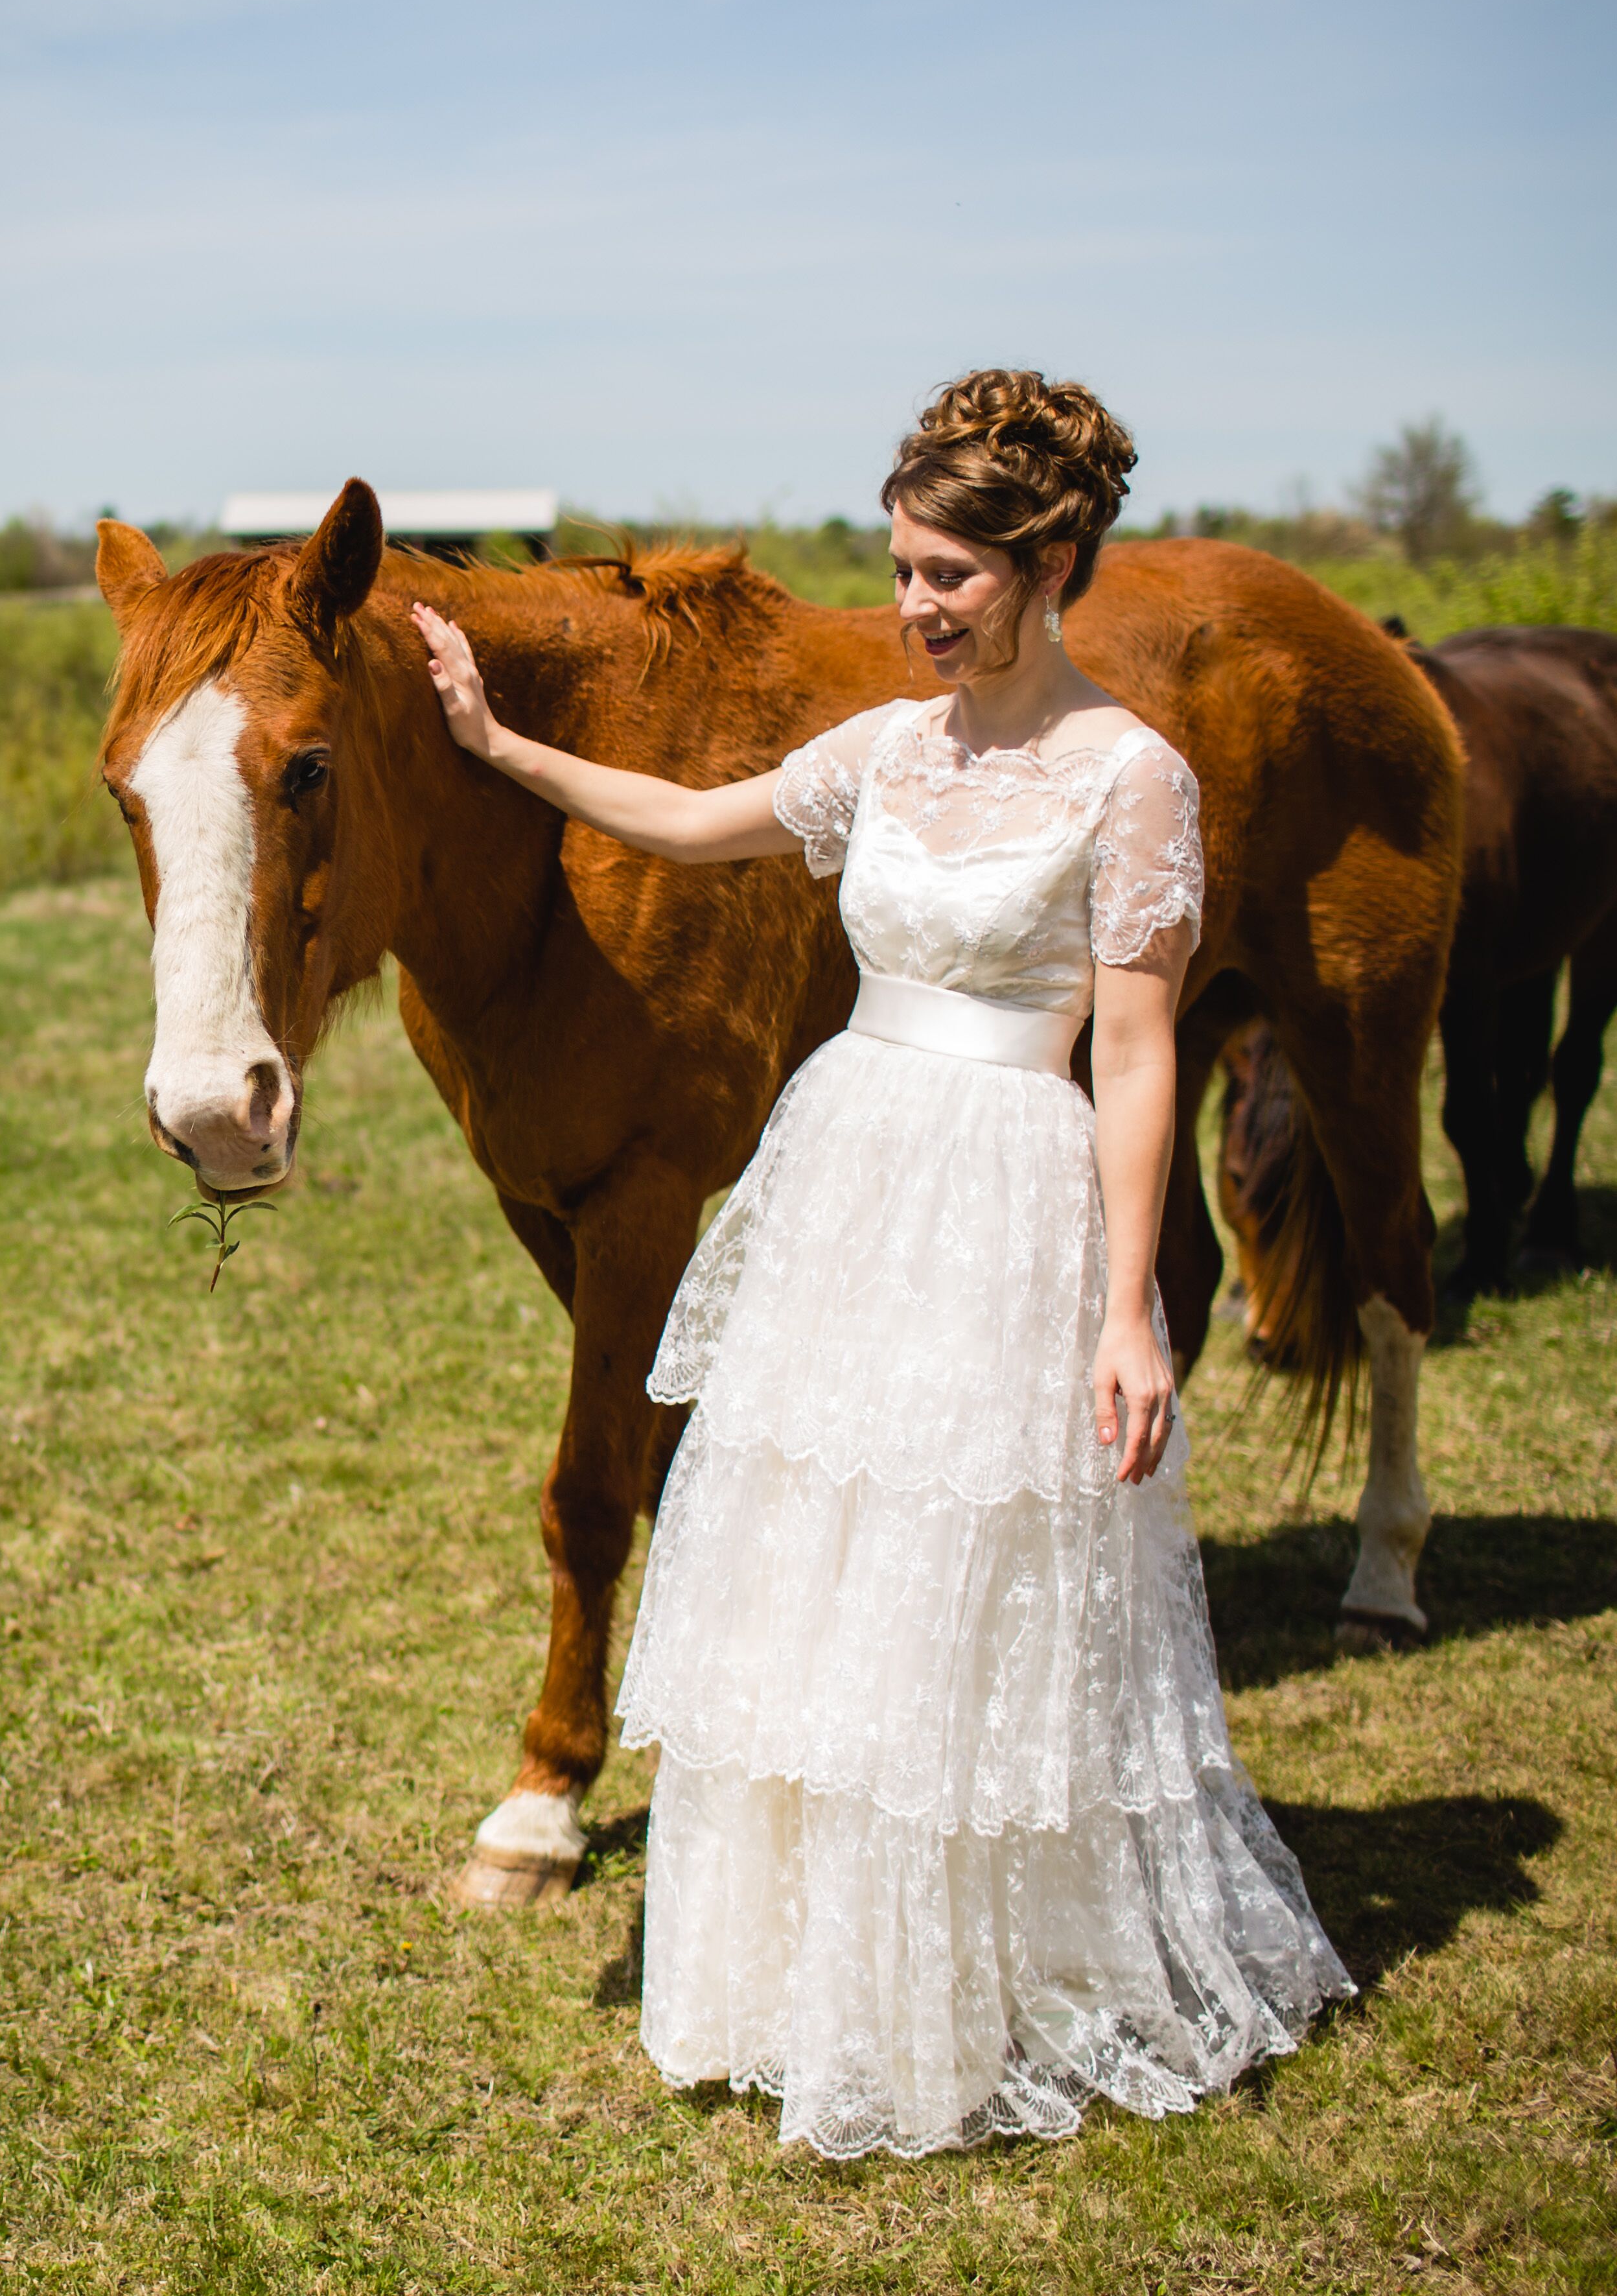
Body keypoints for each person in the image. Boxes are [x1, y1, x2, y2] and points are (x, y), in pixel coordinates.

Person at [413, 368, 1352, 2161]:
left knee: (968, 1561)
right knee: (818, 1547)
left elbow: (1141, 1050)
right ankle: (806, 1962)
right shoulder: (893, 751)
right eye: (905, 567)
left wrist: (1131, 1295)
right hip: (849, 1170)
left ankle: (975, 1966)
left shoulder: (1132, 780)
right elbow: (699, 821)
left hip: (1012, 1180)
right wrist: (500, 746)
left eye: (951, 575)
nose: (914, 606)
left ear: (1056, 559)